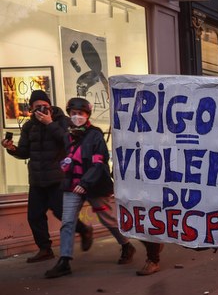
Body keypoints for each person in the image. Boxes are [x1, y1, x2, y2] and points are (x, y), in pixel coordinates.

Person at [43, 97, 136, 278]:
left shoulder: (95, 135)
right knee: (68, 222)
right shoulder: (67, 135)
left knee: (108, 219)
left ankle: (126, 245)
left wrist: (85, 183)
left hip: (94, 185)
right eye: (74, 114)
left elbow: (99, 162)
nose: (77, 117)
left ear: (87, 115)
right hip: (72, 184)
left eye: (81, 114)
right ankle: (64, 261)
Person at [1, 89, 93, 262]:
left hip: (58, 178)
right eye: (37, 108)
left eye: (45, 106)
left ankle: (84, 230)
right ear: (31, 109)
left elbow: (68, 143)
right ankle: (45, 249)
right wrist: (12, 148)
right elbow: (24, 152)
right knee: (34, 216)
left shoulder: (63, 122)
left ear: (50, 106)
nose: (42, 110)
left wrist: (50, 123)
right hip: (37, 179)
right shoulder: (29, 126)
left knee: (61, 213)